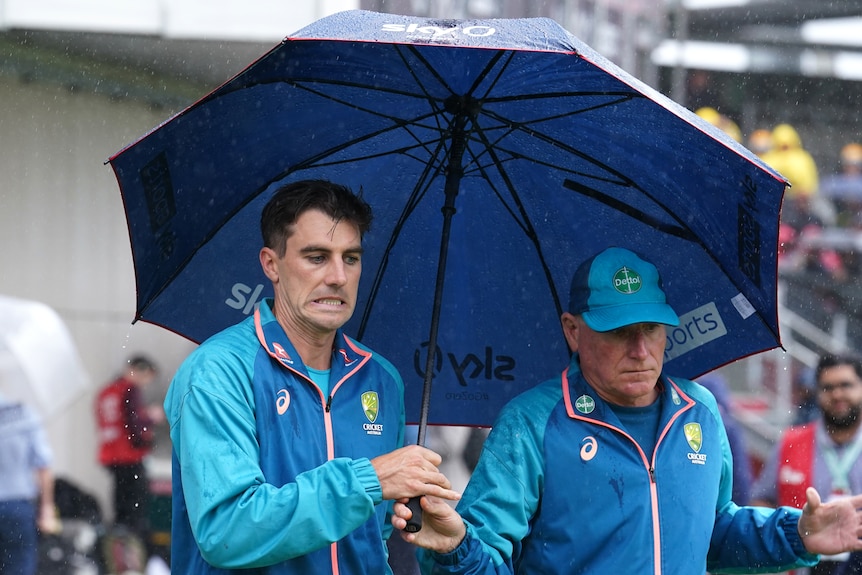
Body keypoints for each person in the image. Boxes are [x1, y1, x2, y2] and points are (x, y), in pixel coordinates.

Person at [392, 246, 862, 575]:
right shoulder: (532, 422)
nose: (641, 350)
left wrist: (798, 534)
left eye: (652, 328)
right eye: (618, 331)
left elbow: (713, 533)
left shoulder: (699, 409)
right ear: (573, 331)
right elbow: (485, 561)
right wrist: (455, 548)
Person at [164, 179, 459, 574]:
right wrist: (368, 480)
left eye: (351, 258)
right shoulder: (218, 370)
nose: (338, 276)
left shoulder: (382, 379)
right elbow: (228, 531)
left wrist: (441, 543)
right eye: (317, 257)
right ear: (271, 264)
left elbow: (376, 534)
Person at [751, 353, 862, 574]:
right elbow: (761, 501)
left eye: (846, 385)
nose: (837, 394)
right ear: (818, 393)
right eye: (828, 388)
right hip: (803, 563)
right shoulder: (792, 442)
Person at [95, 355, 164, 542]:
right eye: (147, 377)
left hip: (111, 455)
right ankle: (136, 552)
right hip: (129, 456)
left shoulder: (106, 391)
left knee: (120, 508)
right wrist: (150, 418)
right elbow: (134, 426)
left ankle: (120, 548)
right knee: (135, 512)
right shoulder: (129, 389)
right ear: (139, 370)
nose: (146, 383)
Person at [0, 393, 60, 575]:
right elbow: (43, 465)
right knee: (19, 564)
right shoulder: (24, 414)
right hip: (17, 506)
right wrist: (47, 508)